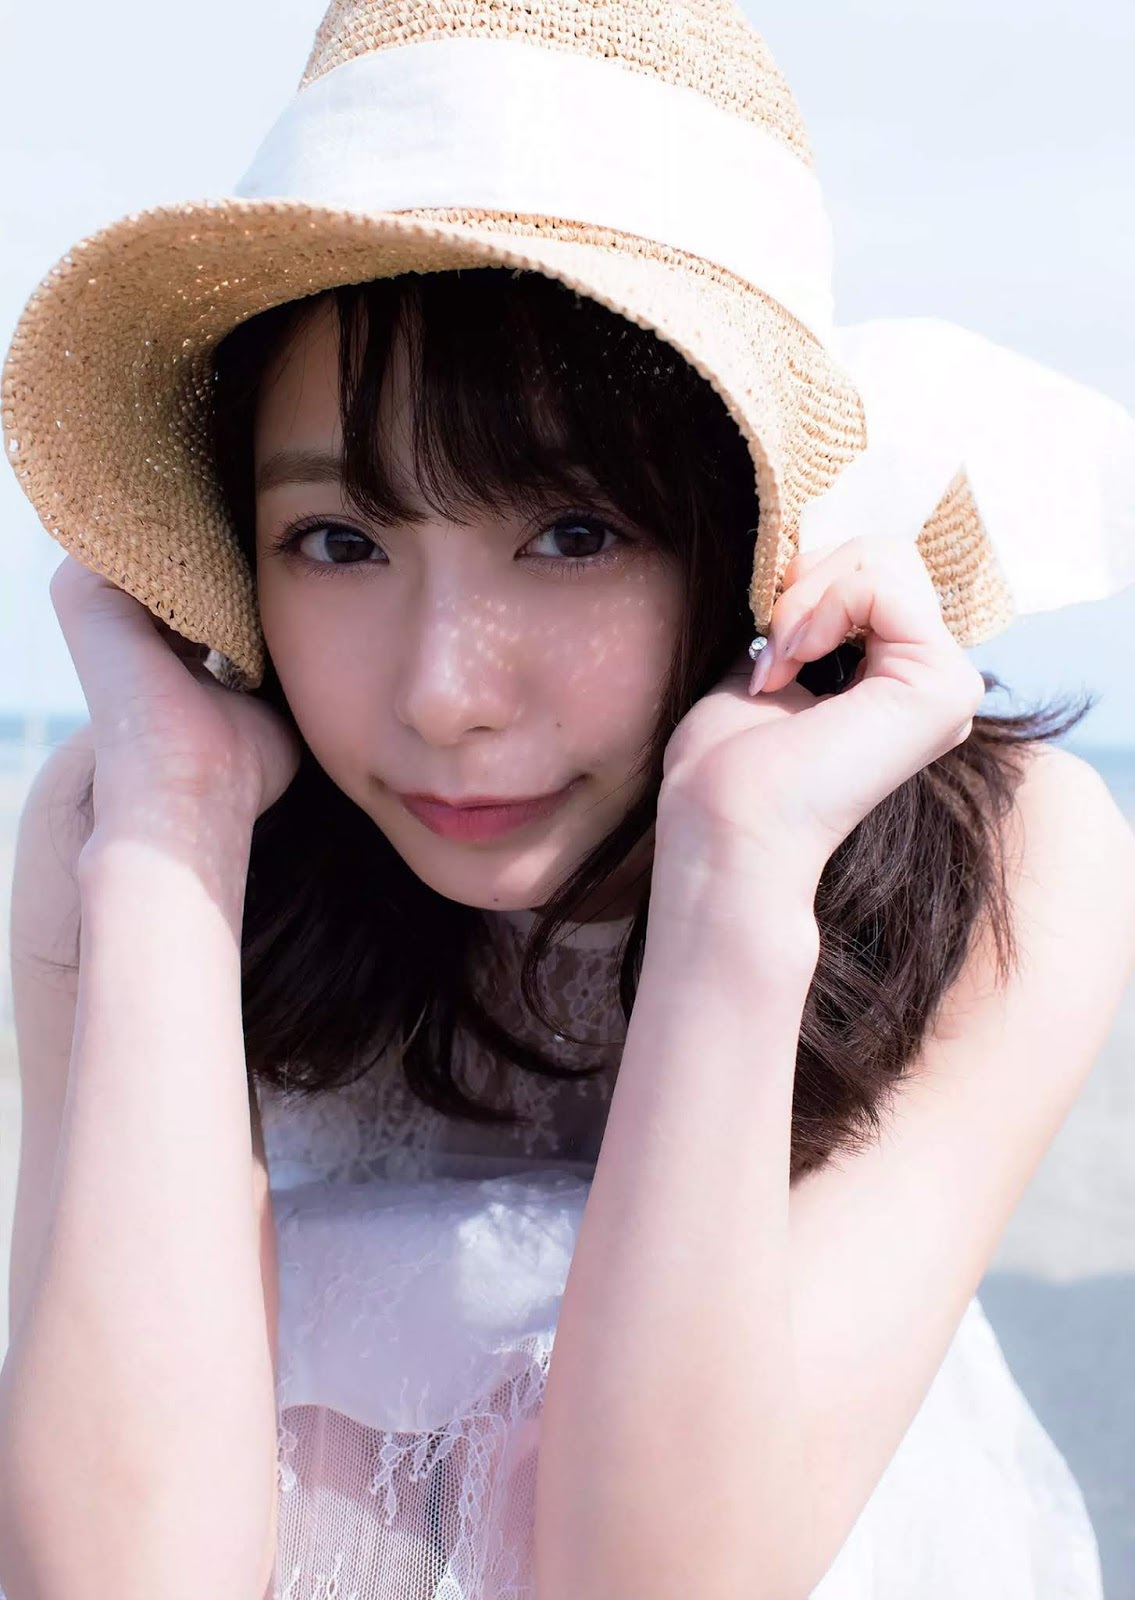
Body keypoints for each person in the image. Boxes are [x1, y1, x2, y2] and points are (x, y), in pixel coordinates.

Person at [3, 3, 1135, 1597]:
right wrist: (169, 834)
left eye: (574, 535)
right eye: (339, 541)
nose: (443, 692)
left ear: (745, 535)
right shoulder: (135, 828)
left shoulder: (1011, 858)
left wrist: (738, 880)